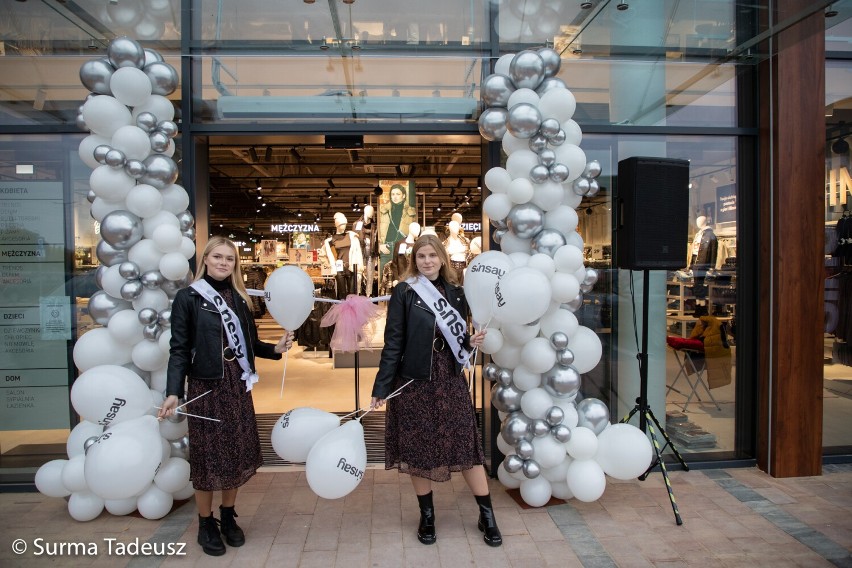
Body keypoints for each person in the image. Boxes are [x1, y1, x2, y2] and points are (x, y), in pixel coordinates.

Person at [158, 236, 294, 557]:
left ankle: (227, 516)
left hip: (237, 384)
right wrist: (174, 392)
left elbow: (249, 344)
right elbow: (178, 350)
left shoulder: (240, 298)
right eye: (217, 257)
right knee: (208, 456)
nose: (223, 263)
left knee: (234, 452)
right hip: (206, 386)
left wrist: (274, 350)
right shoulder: (188, 298)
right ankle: (205, 522)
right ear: (205, 259)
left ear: (235, 265)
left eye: (229, 259)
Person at [369, 234, 501, 548]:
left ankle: (487, 514)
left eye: (432, 255)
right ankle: (427, 516)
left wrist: (470, 342)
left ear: (442, 258)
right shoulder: (403, 292)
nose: (427, 261)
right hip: (414, 382)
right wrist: (381, 387)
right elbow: (393, 343)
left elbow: (463, 337)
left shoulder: (458, 292)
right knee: (419, 449)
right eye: (421, 256)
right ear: (414, 261)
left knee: (466, 445)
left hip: (450, 380)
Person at [322, 212, 364, 299]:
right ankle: (342, 312)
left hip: (351, 267)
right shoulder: (330, 241)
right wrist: (330, 265)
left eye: (344, 224)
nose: (343, 226)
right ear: (337, 225)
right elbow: (323, 255)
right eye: (341, 224)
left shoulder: (352, 237)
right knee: (342, 294)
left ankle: (352, 311)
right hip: (339, 268)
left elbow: (358, 253)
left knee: (352, 293)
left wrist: (360, 268)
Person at [379, 183, 416, 267]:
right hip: (387, 247)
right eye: (393, 194)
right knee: (382, 276)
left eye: (398, 194)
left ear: (403, 196)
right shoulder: (384, 211)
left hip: (402, 247)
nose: (395, 196)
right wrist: (380, 245)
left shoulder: (410, 212)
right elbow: (378, 230)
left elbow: (415, 230)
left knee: (402, 276)